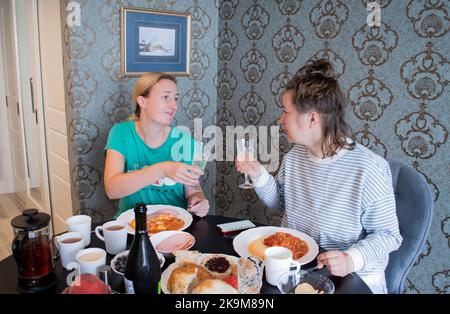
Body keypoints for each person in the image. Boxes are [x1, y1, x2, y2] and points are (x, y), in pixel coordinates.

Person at [236, 59, 402, 294]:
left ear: (312, 119)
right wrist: (257, 172)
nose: (280, 119)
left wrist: (350, 259)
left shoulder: (369, 168)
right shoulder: (295, 157)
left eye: (285, 111)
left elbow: (388, 236)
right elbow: (280, 203)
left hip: (350, 280)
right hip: (297, 271)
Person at [104, 72, 209, 219]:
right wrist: (163, 169)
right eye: (166, 97)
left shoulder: (184, 140)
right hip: (132, 224)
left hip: (175, 225)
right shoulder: (121, 133)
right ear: (142, 101)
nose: (174, 105)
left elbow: (193, 188)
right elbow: (112, 190)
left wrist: (198, 201)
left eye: (176, 98)